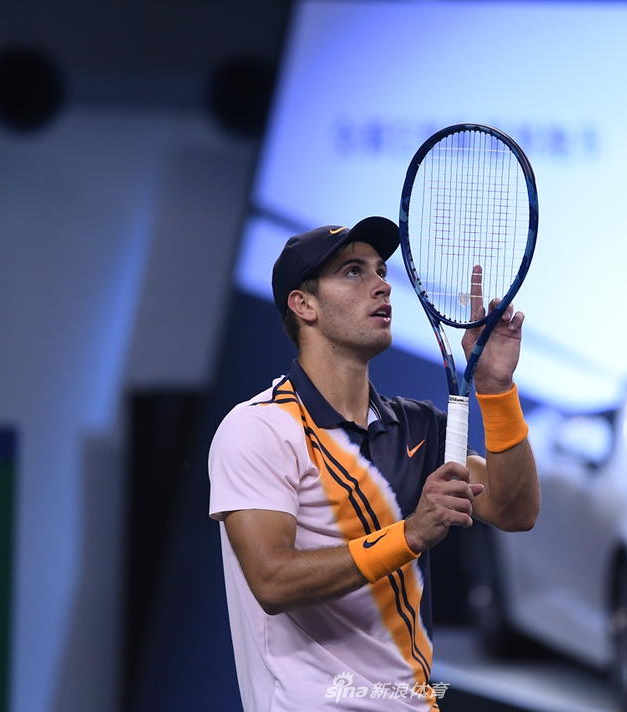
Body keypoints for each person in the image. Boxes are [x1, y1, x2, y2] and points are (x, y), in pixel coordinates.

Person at [208, 216, 539, 711]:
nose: (382, 285)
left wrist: (496, 388)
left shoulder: (417, 426)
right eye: (353, 272)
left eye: (381, 270)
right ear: (303, 305)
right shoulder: (257, 428)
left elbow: (515, 510)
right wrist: (410, 535)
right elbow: (272, 580)